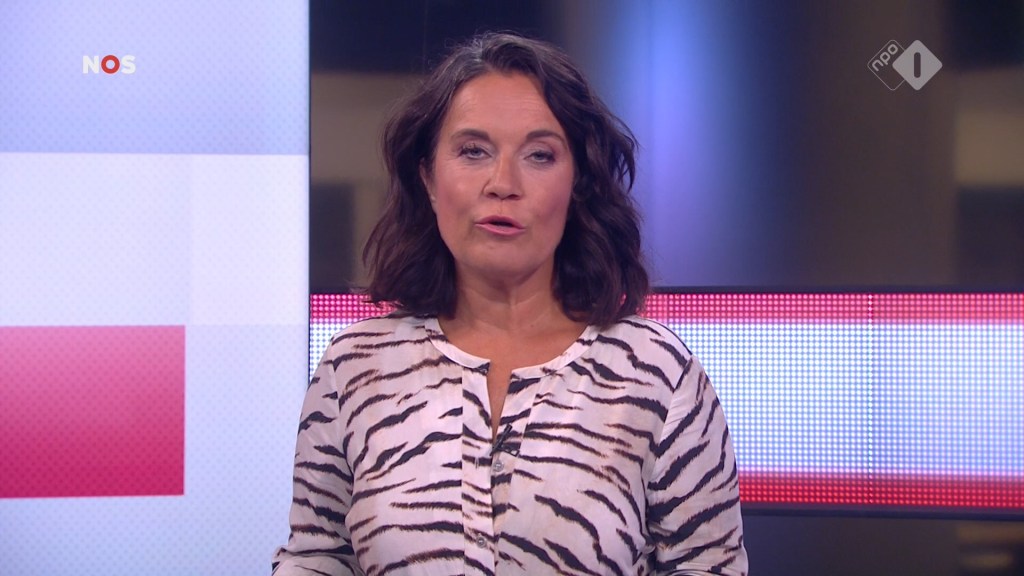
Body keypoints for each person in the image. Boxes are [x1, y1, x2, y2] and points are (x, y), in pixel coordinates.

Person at [273, 32, 747, 576]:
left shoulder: (656, 373)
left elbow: (710, 565)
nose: (503, 183)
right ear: (428, 178)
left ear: (578, 183)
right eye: (473, 151)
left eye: (539, 155)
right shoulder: (355, 367)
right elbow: (316, 558)